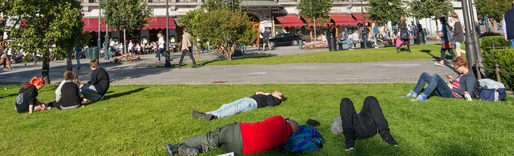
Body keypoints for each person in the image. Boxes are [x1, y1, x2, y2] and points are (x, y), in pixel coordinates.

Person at [165, 115, 298, 155]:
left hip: (238, 132)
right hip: (238, 150)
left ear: (288, 122)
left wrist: (285, 120)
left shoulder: (280, 121)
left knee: (210, 138)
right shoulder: (282, 141)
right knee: (213, 145)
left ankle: (177, 147)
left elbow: (268, 120)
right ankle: (195, 149)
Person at [330, 96, 398, 151]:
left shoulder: (366, 114)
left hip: (370, 126)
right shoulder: (342, 118)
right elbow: (334, 128)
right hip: (354, 130)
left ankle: (386, 135)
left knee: (370, 99)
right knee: (345, 101)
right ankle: (349, 141)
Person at [404, 56, 476, 102]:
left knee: (436, 76)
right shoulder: (462, 74)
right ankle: (414, 93)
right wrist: (452, 81)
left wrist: (452, 88)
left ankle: (423, 96)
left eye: (456, 68)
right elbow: (460, 84)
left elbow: (468, 93)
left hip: (452, 95)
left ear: (462, 66)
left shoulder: (470, 77)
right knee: (424, 75)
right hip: (449, 90)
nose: (455, 70)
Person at [192, 91, 285, 120]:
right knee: (226, 105)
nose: (275, 91)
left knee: (234, 109)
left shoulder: (276, 100)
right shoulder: (270, 96)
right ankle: (206, 114)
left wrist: (267, 94)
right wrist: (261, 93)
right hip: (247, 99)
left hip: (252, 103)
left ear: (279, 96)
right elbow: (256, 93)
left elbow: (271, 104)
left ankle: (215, 116)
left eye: (277, 92)